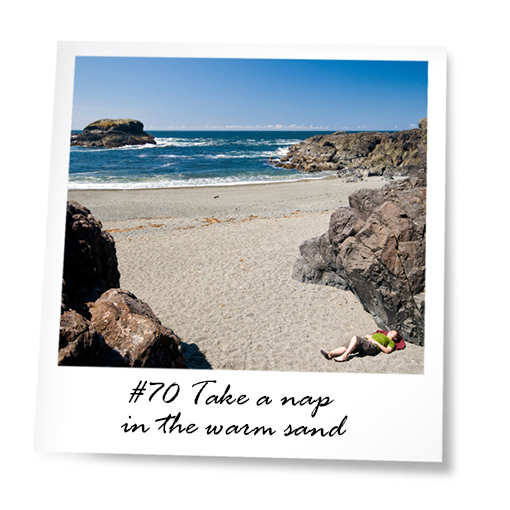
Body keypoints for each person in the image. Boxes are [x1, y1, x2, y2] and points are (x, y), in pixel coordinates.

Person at [320, 330, 400, 362]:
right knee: (348, 345)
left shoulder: (391, 342)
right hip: (367, 342)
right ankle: (330, 353)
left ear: (395, 338)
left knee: (355, 338)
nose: (391, 332)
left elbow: (387, 351)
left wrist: (376, 342)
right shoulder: (381, 334)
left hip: (373, 347)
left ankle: (345, 356)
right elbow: (367, 335)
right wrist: (370, 337)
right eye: (391, 331)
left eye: (393, 333)